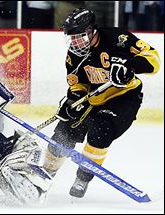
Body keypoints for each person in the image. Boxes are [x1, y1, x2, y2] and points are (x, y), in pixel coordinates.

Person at [42, 8, 160, 198]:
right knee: (64, 131)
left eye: (79, 37)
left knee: (100, 130)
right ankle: (45, 174)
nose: (74, 43)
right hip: (93, 99)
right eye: (71, 38)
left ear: (90, 31)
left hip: (123, 98)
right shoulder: (74, 55)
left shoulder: (117, 38)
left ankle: (83, 177)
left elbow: (154, 60)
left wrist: (129, 66)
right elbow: (77, 83)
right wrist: (72, 101)